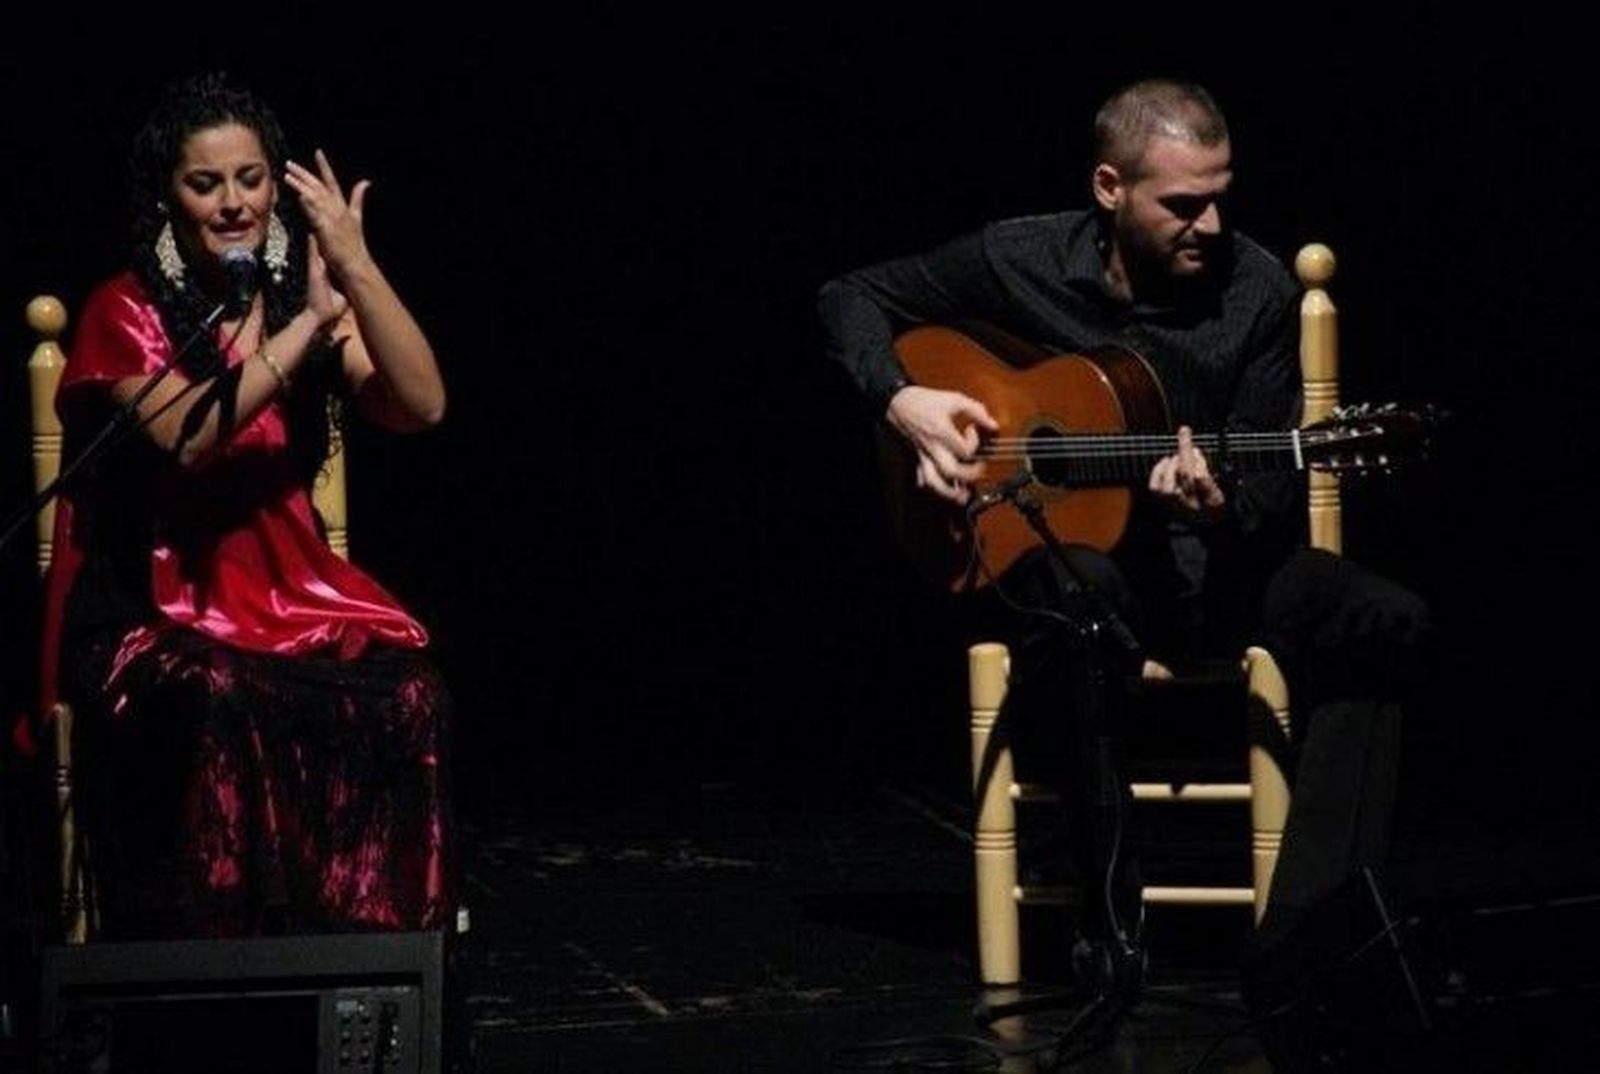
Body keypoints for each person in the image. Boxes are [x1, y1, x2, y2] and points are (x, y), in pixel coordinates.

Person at [817, 78, 1433, 994]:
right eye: (1182, 204)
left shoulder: (1257, 289)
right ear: (1110, 188)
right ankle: (1109, 916)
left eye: (1221, 198)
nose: (1209, 224)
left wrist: (1216, 505)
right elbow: (848, 296)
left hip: (1215, 570)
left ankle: (1313, 929)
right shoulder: (1021, 258)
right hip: (1083, 575)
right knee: (1079, 599)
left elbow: (1268, 489)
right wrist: (904, 403)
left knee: (1389, 618)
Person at [38, 71, 457, 942]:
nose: (233, 203)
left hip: (288, 601)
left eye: (250, 179)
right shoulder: (126, 309)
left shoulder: (305, 294)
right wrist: (303, 328)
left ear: (275, 188)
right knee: (220, 695)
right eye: (206, 183)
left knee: (413, 693)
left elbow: (422, 406)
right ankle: (223, 956)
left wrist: (356, 267)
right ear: (169, 197)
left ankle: (366, 953)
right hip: (150, 612)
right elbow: (191, 438)